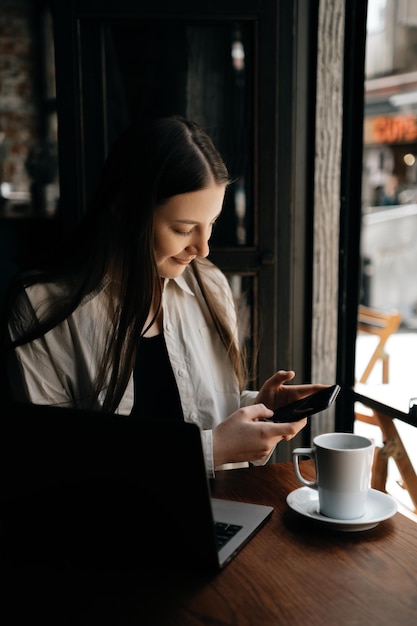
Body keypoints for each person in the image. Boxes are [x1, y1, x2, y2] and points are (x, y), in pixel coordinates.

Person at [2, 115, 325, 475]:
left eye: (212, 224)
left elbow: (199, 408)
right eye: (184, 229)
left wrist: (257, 407)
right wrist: (210, 450)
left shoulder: (210, 286)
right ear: (125, 212)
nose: (202, 249)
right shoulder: (42, 309)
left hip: (219, 512)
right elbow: (50, 461)